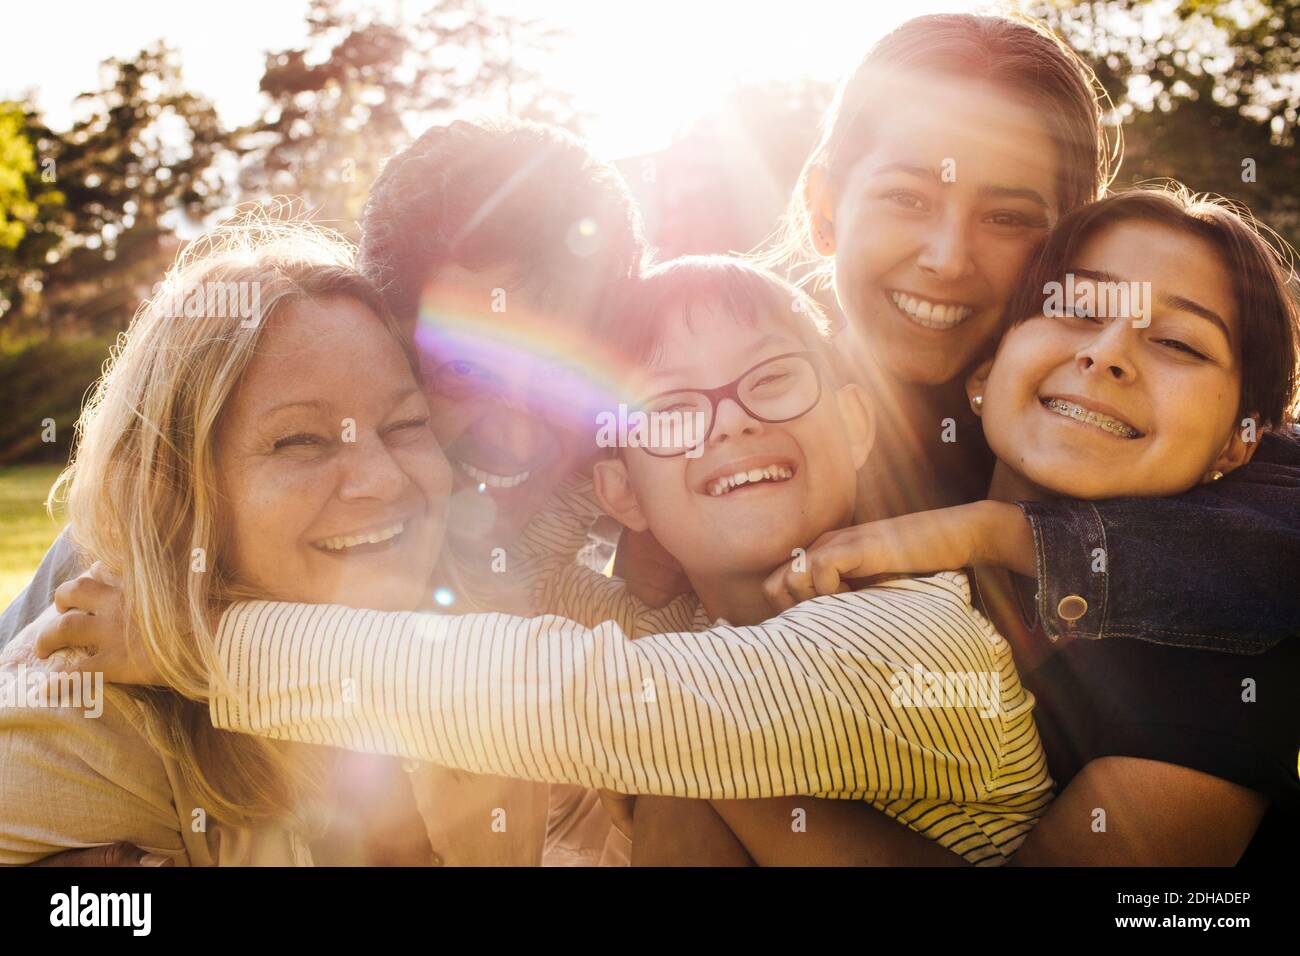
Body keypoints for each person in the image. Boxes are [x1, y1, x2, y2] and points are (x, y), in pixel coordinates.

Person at [47, 191, 1298, 863]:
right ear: (620, 491)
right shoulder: (668, 594)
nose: (728, 431)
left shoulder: (907, 637)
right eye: (669, 416)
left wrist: (207, 638)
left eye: (770, 387)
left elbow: (601, 698)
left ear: (859, 426)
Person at [0, 215, 450, 865]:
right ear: (172, 490)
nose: (383, 479)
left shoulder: (465, 616)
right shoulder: (82, 724)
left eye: (407, 423)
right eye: (301, 440)